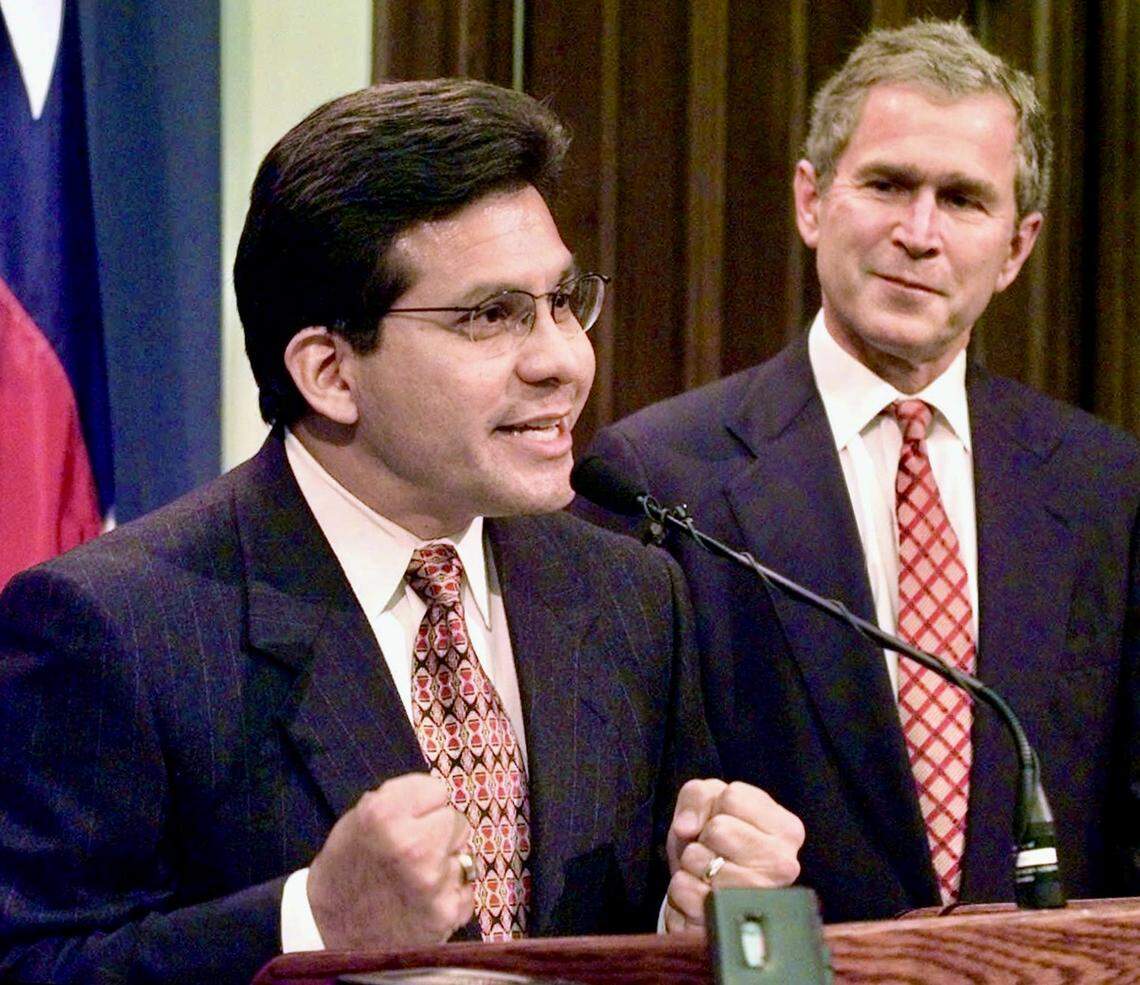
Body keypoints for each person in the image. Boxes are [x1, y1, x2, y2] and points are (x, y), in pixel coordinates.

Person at [0, 79, 804, 984]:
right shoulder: (114, 624)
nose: (563, 361)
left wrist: (694, 914)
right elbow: (38, 964)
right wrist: (312, 918)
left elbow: (627, 932)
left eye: (564, 301)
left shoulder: (631, 594)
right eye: (492, 316)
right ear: (330, 371)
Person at [578, 20, 1140, 922]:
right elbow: (609, 829)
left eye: (962, 199)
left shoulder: (1107, 482)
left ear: (1018, 246)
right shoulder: (657, 476)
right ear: (811, 200)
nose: (918, 232)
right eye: (887, 184)